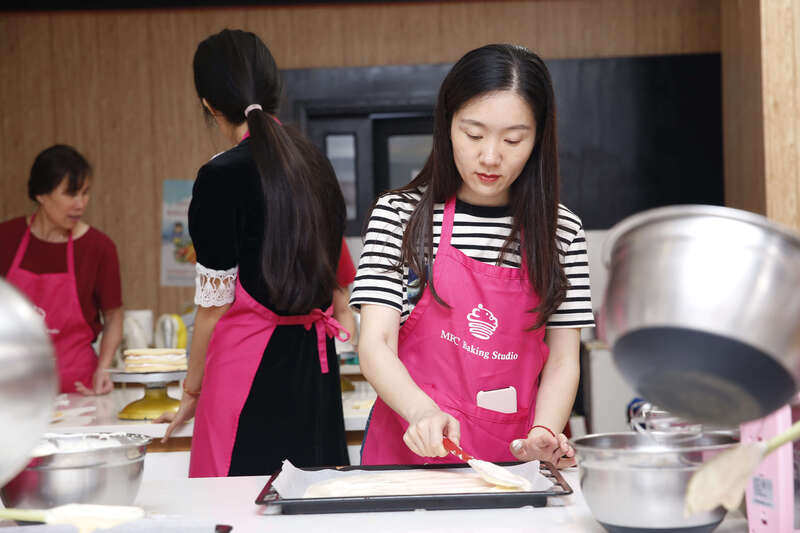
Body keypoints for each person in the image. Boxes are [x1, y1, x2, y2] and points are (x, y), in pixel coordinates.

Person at [351, 44, 595, 468]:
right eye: (474, 134)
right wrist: (421, 412)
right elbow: (376, 343)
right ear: (447, 125)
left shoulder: (562, 231)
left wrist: (544, 432)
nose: (490, 156)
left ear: (538, 138)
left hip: (512, 465)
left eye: (513, 139)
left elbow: (562, 360)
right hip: (406, 460)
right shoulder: (400, 216)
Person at [156, 28, 351, 478]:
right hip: (315, 369)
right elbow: (337, 281)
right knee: (313, 499)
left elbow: (213, 308)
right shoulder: (317, 165)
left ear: (209, 105)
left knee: (236, 503)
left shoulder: (220, 176)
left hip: (247, 368)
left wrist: (191, 392)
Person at [0, 144, 123, 395]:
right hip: (12, 391)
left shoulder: (98, 247)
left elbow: (114, 316)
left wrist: (104, 369)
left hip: (78, 389)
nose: (81, 204)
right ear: (41, 194)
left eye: (85, 193)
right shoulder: (6, 238)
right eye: (71, 194)